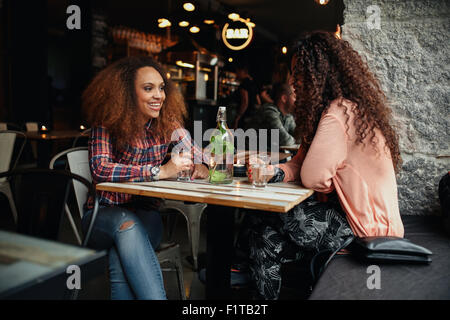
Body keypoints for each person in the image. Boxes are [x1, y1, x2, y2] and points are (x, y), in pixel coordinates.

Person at [243, 31, 404, 299]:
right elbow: (300, 164)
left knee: (263, 212)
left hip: (367, 231)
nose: (292, 81)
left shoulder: (340, 112)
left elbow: (313, 177)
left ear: (320, 73)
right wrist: (274, 172)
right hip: (352, 222)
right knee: (263, 238)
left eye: (299, 73)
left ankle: (234, 266)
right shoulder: (336, 110)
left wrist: (325, 179)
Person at [81, 56, 209, 300]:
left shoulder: (166, 122)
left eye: (161, 88)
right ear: (126, 93)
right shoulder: (106, 124)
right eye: (148, 88)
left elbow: (198, 154)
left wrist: (207, 163)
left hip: (146, 215)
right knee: (126, 228)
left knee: (121, 255)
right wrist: (158, 171)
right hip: (103, 215)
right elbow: (100, 168)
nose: (158, 95)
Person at [258, 82, 297, 147]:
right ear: (284, 98)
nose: (297, 100)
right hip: (249, 154)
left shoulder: (288, 116)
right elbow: (285, 141)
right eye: (294, 97)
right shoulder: (269, 112)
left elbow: (298, 137)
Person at [233, 64, 260, 130]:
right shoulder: (253, 83)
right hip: (252, 118)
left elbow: (245, 102)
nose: (236, 74)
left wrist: (237, 118)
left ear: (242, 71)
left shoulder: (244, 84)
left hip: (244, 117)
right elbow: (258, 102)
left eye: (237, 72)